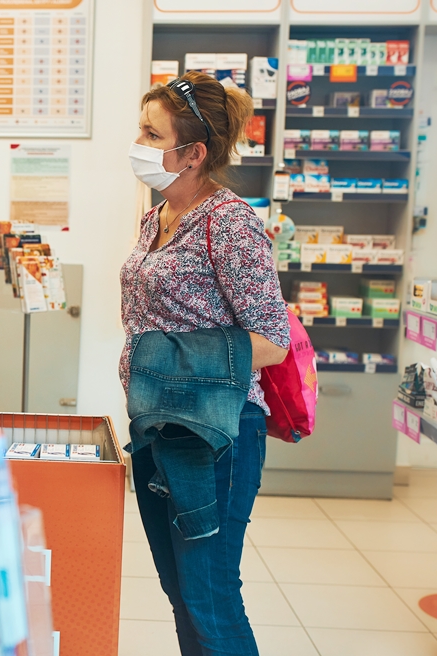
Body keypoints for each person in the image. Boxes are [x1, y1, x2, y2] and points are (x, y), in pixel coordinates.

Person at [120, 71, 291, 655]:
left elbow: (272, 339)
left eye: (150, 132)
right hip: (156, 427)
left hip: (215, 434)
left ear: (192, 153)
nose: (138, 142)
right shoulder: (156, 217)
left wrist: (172, 366)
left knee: (211, 596)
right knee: (180, 592)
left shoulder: (230, 222)